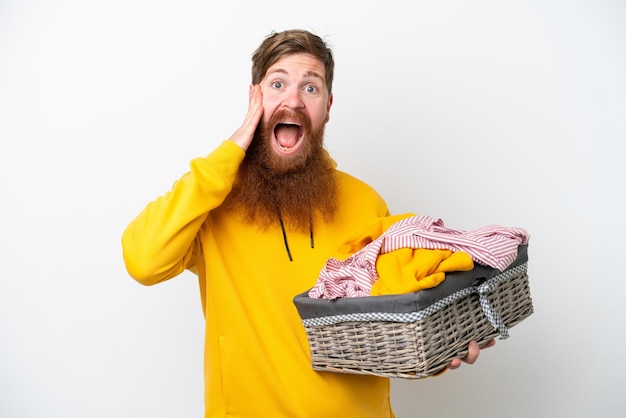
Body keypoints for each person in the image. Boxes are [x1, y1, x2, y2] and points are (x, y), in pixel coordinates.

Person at [122, 29, 493, 418]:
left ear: (328, 105)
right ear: (255, 98)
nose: (294, 100)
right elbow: (143, 260)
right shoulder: (212, 203)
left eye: (311, 88)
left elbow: (390, 320)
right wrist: (229, 152)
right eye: (277, 83)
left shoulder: (366, 202)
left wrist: (439, 347)